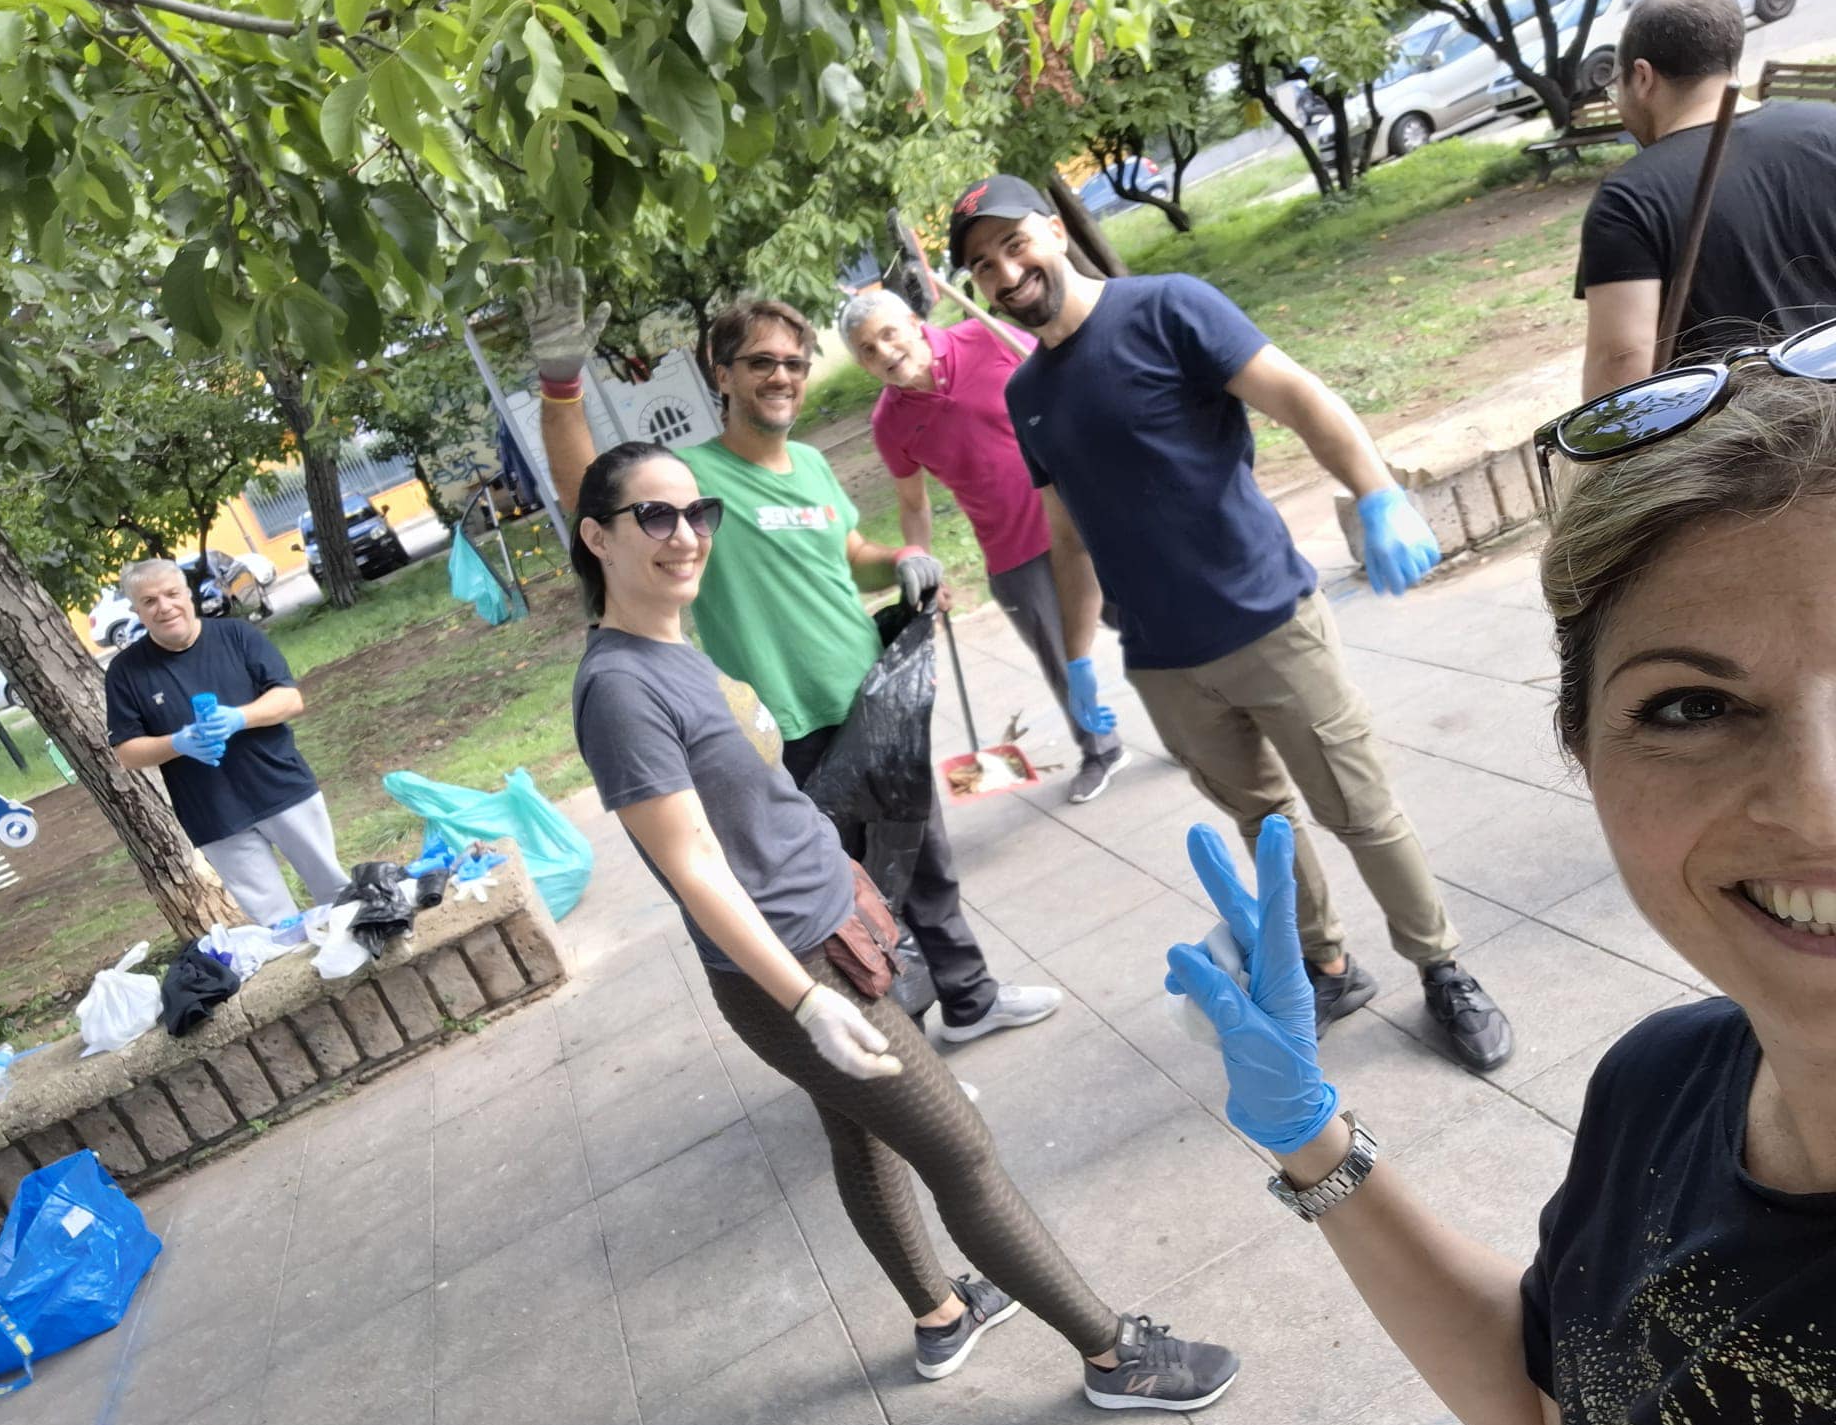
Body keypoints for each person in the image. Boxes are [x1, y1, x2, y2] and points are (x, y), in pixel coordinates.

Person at [1164, 334, 1836, 1425]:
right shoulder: (1659, 1083)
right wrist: (1312, 1142)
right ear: (1581, 752)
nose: (1816, 803)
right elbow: (1557, 1420)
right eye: (1688, 707)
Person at [568, 437, 1242, 1411]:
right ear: (595, 535)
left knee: (863, 1139)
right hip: (795, 966)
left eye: (697, 513)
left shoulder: (668, 640)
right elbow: (690, 865)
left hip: (823, 925)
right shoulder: (618, 689)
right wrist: (802, 1000)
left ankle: (938, 1315)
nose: (686, 535)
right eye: (655, 516)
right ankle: (1112, 1356)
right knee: (959, 1149)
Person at [949, 174, 1515, 1073]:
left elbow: (1300, 397)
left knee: (1360, 811)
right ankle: (1327, 964)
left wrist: (1376, 493)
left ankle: (1442, 967)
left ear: (1053, 231)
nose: (1005, 271)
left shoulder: (1169, 308)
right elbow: (1067, 536)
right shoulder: (1027, 395)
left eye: (1014, 244)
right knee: (1264, 825)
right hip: (1166, 662)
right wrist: (1080, 659)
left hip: (1267, 624)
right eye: (983, 266)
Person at [528, 264, 1058, 1044]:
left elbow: (843, 549)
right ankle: (898, 1044)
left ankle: (971, 998)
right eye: (761, 362)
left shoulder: (809, 466)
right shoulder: (693, 484)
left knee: (928, 867)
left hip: (877, 702)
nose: (782, 376)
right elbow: (587, 490)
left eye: (794, 363)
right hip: (793, 725)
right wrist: (561, 388)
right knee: (853, 898)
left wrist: (901, 561)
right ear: (724, 375)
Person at [838, 287, 1133, 803]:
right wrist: (923, 569)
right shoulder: (890, 424)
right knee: (1059, 657)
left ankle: (1197, 720)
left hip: (1084, 514)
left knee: (1143, 620)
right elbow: (913, 504)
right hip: (1010, 548)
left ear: (912, 322)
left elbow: (1052, 372)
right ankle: (1101, 750)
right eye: (867, 349)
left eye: (888, 335)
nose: (884, 352)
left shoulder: (983, 339)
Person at [1577, 0, 1836, 400]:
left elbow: (1622, 361)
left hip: (1746, 449)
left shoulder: (1629, 199)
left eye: (1615, 86)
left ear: (1641, 77)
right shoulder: (1828, 127)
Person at [105, 559, 346, 924]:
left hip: (282, 787)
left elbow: (290, 699)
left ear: (188, 594)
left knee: (338, 895)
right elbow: (126, 752)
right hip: (213, 814)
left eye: (172, 594)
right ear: (136, 610)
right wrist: (178, 743)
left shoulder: (237, 636)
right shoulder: (125, 672)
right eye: (149, 601)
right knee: (276, 923)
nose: (165, 607)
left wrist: (239, 718)